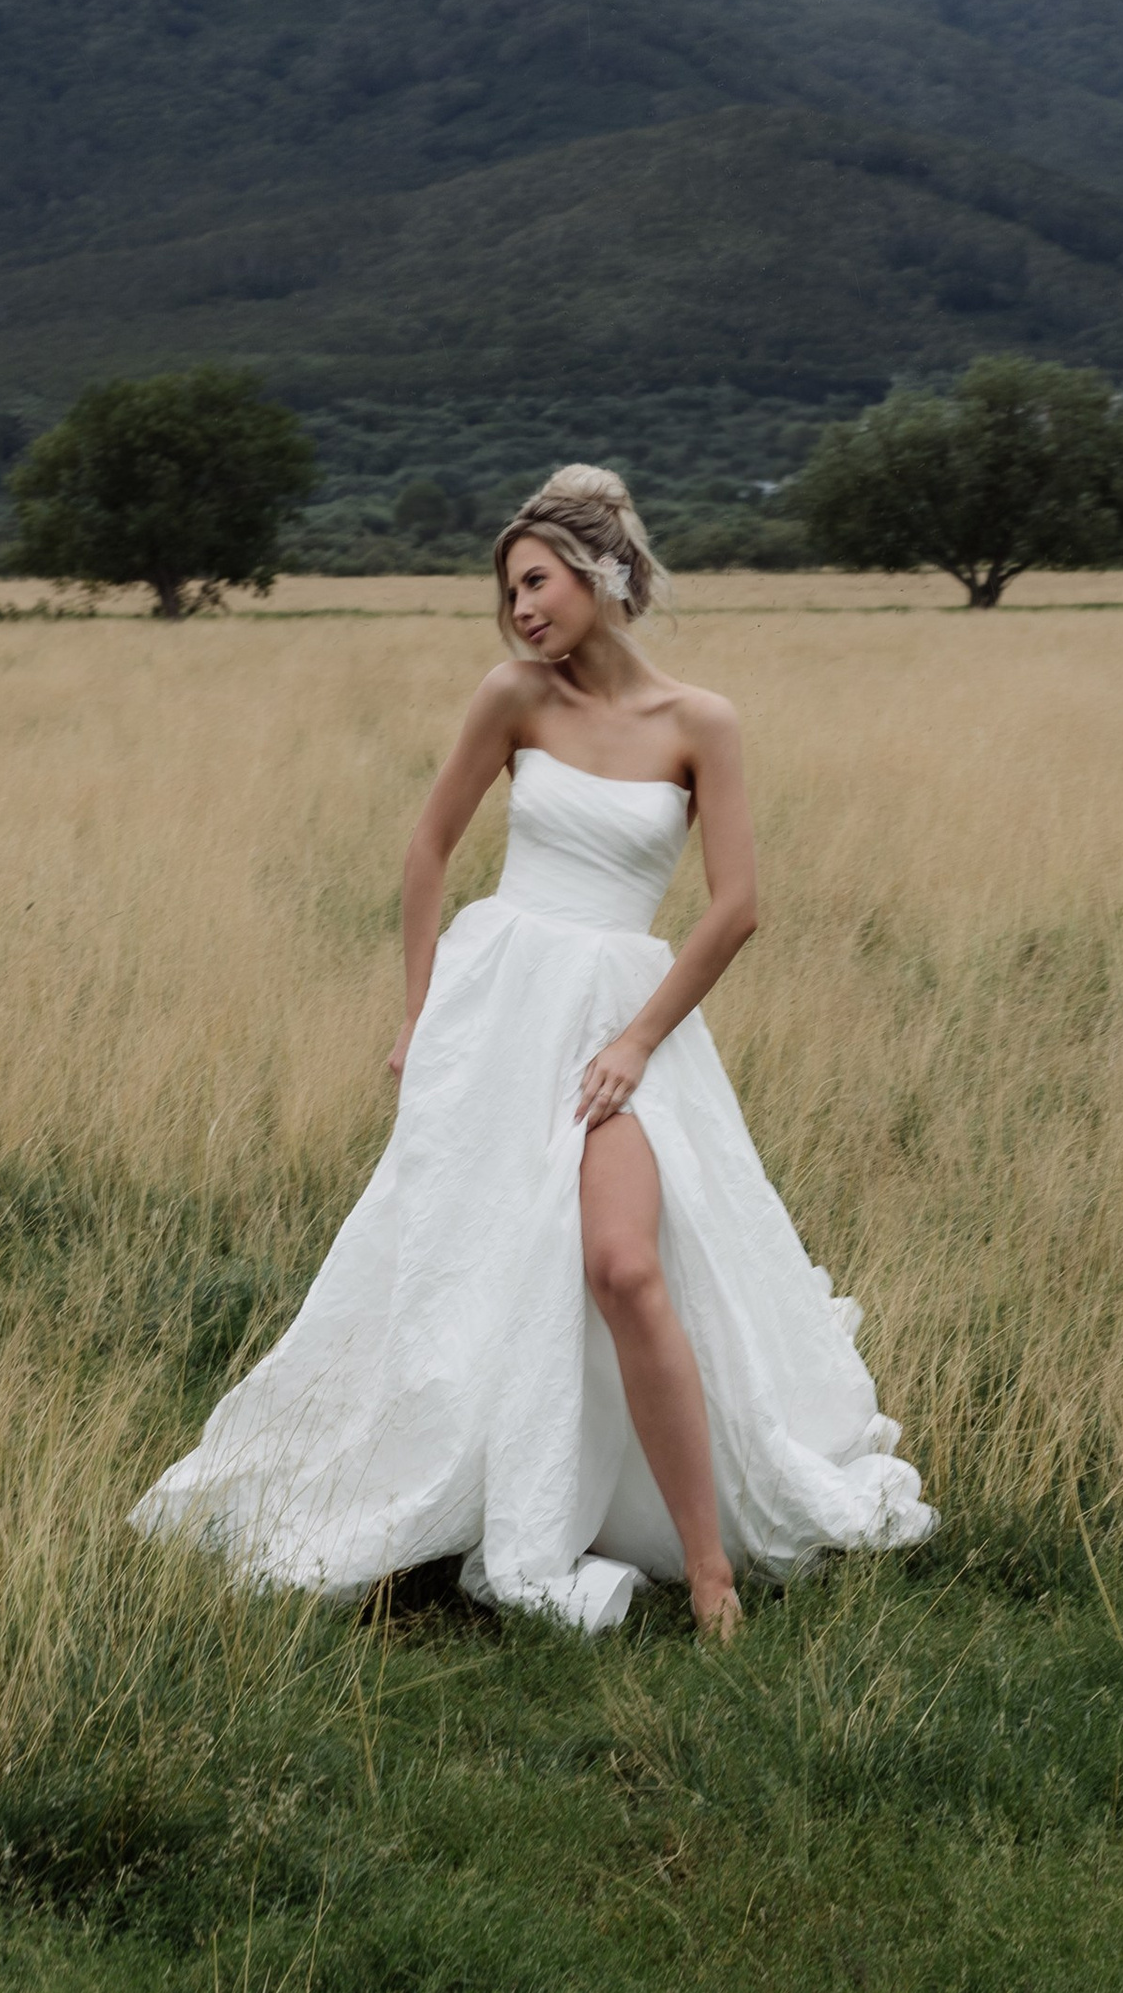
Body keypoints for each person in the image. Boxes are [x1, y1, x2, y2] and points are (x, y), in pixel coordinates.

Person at [130, 464, 935, 1634]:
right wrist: (419, 1015)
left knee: (623, 1265)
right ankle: (456, 1502)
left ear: (604, 577)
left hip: (624, 1019)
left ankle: (707, 1567)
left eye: (537, 582)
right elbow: (426, 851)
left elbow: (736, 907)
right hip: (498, 1011)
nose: (520, 609)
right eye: (509, 590)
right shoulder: (513, 698)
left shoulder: (700, 723)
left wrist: (635, 1040)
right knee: (473, 1266)